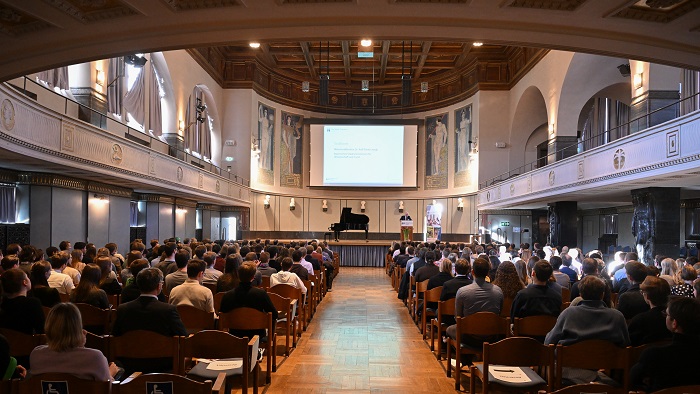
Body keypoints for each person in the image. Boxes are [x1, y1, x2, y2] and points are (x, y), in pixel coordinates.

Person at [546, 275, 629, 385]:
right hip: (603, 368)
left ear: (581, 295)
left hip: (568, 370)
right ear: (602, 294)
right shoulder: (617, 316)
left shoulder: (568, 313)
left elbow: (549, 342)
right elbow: (626, 345)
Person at [111, 268, 187, 374]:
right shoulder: (168, 310)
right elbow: (183, 336)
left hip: (129, 364)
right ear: (159, 286)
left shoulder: (123, 309)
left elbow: (115, 335)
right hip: (162, 365)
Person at [29, 303, 119, 381]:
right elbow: (106, 387)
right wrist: (110, 373)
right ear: (77, 330)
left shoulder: (36, 355)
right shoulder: (95, 357)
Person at [630, 297, 700, 391]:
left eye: (666, 314)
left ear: (674, 323)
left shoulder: (655, 354)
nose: (664, 316)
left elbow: (634, 379)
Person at [445, 257, 503, 349]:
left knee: (449, 330)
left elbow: (457, 317)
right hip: (491, 335)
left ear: (472, 272)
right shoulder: (498, 291)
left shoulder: (462, 291)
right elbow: (499, 314)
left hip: (469, 336)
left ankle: (464, 358)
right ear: (488, 273)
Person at [219, 262, 278, 339]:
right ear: (253, 277)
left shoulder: (227, 295)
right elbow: (274, 314)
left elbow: (222, 314)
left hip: (234, 334)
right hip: (257, 335)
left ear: (238, 276)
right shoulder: (261, 294)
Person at [627, 276, 672, 346]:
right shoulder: (675, 318)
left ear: (647, 296)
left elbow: (630, 345)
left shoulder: (639, 320)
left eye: (642, 292)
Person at [0, 268, 44, 334]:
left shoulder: (3, 303)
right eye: (27, 277)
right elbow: (41, 330)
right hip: (28, 343)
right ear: (25, 282)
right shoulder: (32, 303)